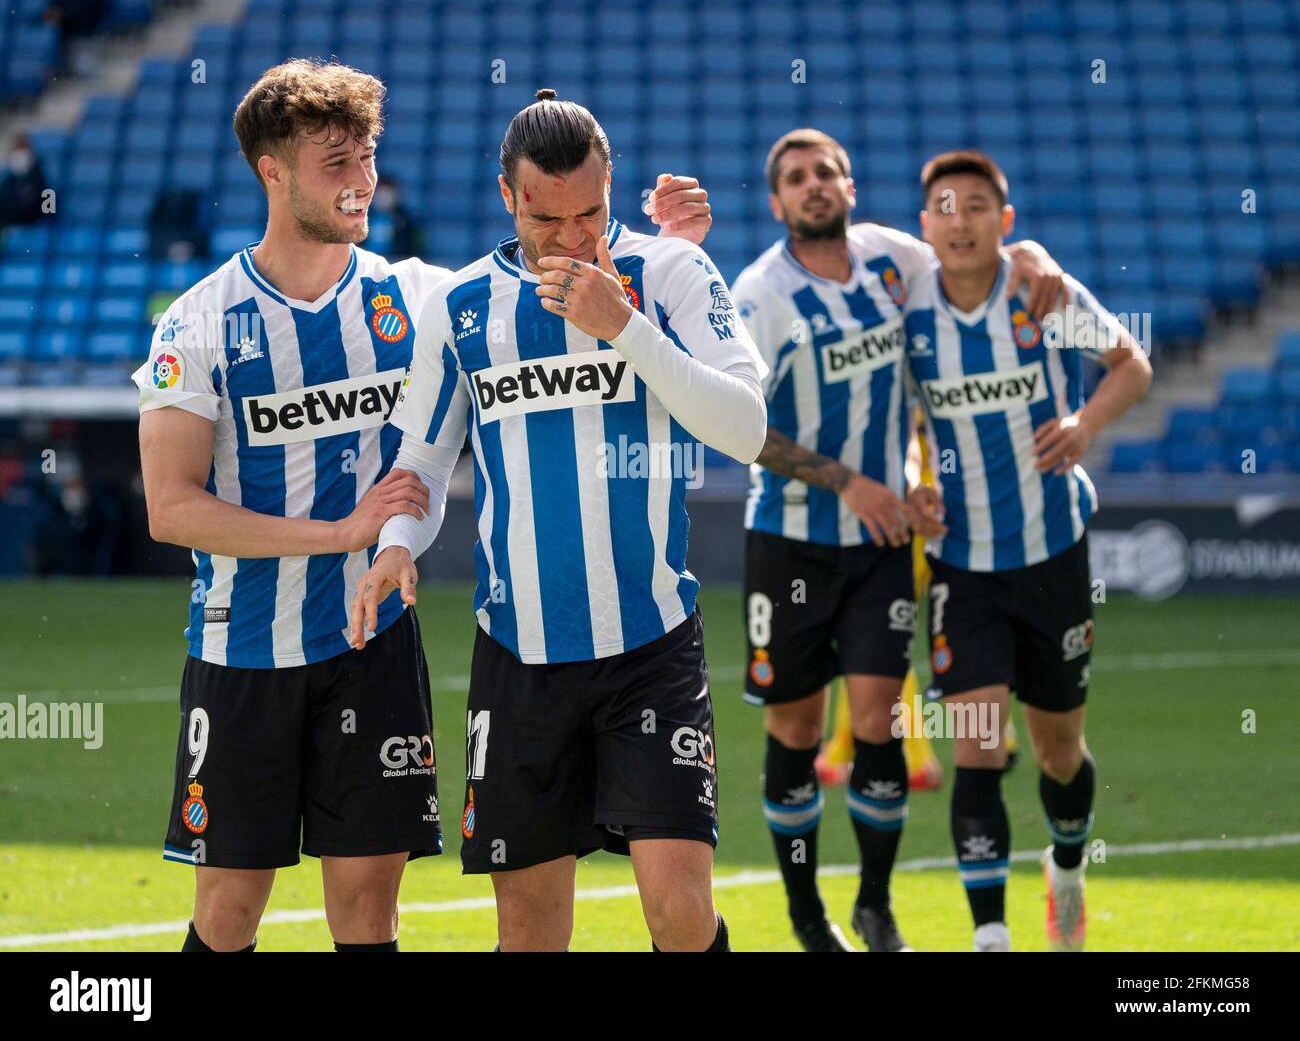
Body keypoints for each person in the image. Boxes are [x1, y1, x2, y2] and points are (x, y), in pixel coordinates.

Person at [135, 61, 710, 953]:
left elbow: (537, 276)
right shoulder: (199, 323)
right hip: (244, 645)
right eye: (335, 161)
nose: (362, 178)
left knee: (369, 912)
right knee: (227, 913)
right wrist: (338, 535)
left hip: (373, 649)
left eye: (366, 155)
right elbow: (170, 509)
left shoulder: (419, 295)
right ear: (272, 172)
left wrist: (660, 248)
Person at [349, 90, 766, 952]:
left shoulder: (671, 274)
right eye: (551, 219)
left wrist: (628, 329)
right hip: (520, 655)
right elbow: (422, 463)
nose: (576, 239)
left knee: (680, 915)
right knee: (531, 929)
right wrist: (394, 547)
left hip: (651, 642)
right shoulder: (461, 308)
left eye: (593, 215)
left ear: (612, 188)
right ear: (509, 197)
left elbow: (745, 429)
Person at [732, 128, 1066, 951]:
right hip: (791, 539)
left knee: (879, 721)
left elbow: (969, 254)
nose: (814, 186)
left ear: (849, 187)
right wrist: (849, 480)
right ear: (777, 203)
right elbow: (739, 428)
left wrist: (1030, 253)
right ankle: (806, 916)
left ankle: (874, 905)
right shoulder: (758, 296)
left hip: (881, 544)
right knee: (798, 732)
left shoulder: (891, 259)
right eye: (797, 179)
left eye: (827, 174)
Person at [903, 149, 1151, 951]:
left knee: (1057, 752)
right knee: (977, 747)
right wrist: (915, 479)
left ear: (1005, 222)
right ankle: (992, 937)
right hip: (963, 569)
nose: (961, 220)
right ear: (925, 227)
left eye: (978, 206)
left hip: (1052, 559)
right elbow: (892, 422)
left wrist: (1084, 425)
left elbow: (1130, 363)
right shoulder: (907, 315)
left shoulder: (1040, 294)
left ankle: (1068, 870)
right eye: (946, 206)